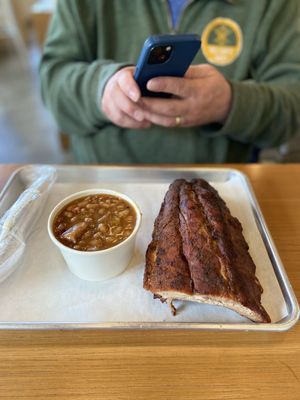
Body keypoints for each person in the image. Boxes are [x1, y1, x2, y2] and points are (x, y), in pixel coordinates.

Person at [40, 0, 300, 164]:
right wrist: (100, 88)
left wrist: (230, 103)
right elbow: (52, 81)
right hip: (104, 182)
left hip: (217, 189)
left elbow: (291, 107)